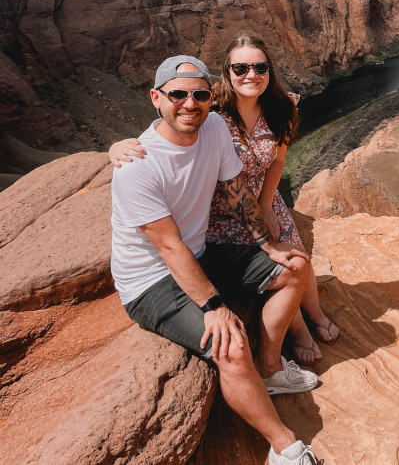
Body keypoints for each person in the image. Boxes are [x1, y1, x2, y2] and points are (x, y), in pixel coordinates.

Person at [111, 55, 323, 465]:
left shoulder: (212, 129)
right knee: (230, 342)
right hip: (151, 281)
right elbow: (168, 248)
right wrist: (214, 308)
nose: (189, 103)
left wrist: (267, 244)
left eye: (200, 94)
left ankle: (270, 369)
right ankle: (286, 448)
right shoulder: (136, 166)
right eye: (177, 94)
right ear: (156, 98)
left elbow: (236, 190)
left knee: (296, 266)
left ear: (210, 98)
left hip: (201, 255)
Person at [111, 34, 339, 365]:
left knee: (294, 254)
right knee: (275, 260)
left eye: (260, 67)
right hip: (217, 211)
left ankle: (315, 314)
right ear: (228, 72)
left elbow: (277, 160)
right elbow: (168, 126)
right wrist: (115, 148)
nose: (251, 74)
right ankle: (298, 331)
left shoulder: (281, 107)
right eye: (241, 67)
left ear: (270, 71)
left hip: (257, 199)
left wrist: (265, 204)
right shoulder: (210, 108)